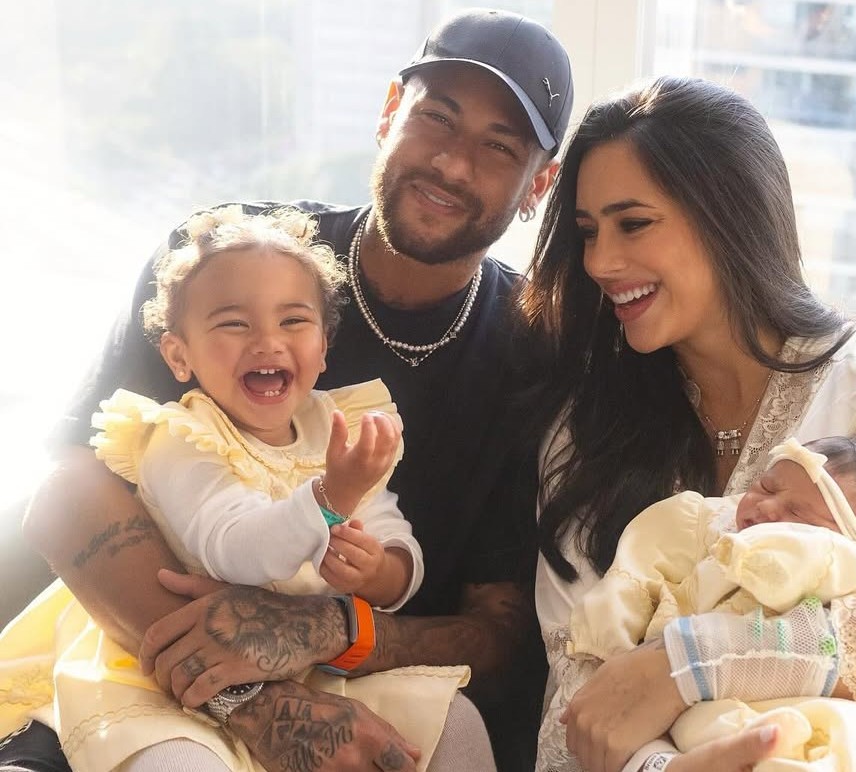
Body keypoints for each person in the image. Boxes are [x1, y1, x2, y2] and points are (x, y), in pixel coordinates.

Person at [3, 8, 581, 772]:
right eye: (436, 117)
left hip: (364, 685)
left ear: (539, 185)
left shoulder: (535, 353)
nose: (451, 162)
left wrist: (332, 629)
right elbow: (66, 490)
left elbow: (502, 632)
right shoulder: (226, 261)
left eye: (498, 146)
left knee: (462, 733)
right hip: (137, 659)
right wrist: (260, 702)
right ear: (388, 113)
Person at [521, 76, 856, 772]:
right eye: (588, 233)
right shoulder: (585, 435)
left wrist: (687, 665)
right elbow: (576, 702)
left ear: (729, 215)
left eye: (633, 224)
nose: (600, 262)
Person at [0, 206, 482, 771]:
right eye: (233, 324)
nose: (267, 342)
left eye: (293, 321)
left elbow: (388, 526)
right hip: (168, 675)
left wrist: (384, 571)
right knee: (181, 763)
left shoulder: (334, 427)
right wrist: (329, 498)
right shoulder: (181, 438)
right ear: (179, 355)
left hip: (305, 665)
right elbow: (233, 548)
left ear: (325, 346)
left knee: (457, 720)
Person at [559, 436, 856, 771]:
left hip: (796, 693)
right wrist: (613, 649)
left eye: (798, 513)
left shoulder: (849, 564)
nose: (767, 506)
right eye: (767, 487)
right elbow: (634, 573)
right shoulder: (706, 526)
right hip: (691, 697)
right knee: (700, 729)